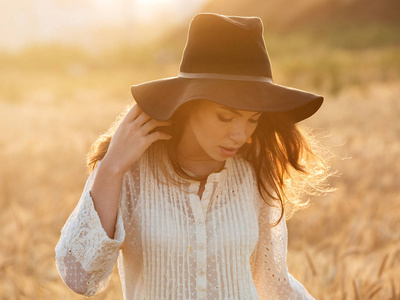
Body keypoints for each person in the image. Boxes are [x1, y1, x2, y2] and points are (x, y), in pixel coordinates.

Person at [55, 13, 332, 300]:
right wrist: (112, 166)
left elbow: (274, 283)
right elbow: (80, 277)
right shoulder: (130, 172)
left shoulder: (254, 173)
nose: (241, 135)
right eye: (226, 117)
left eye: (253, 119)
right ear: (189, 104)